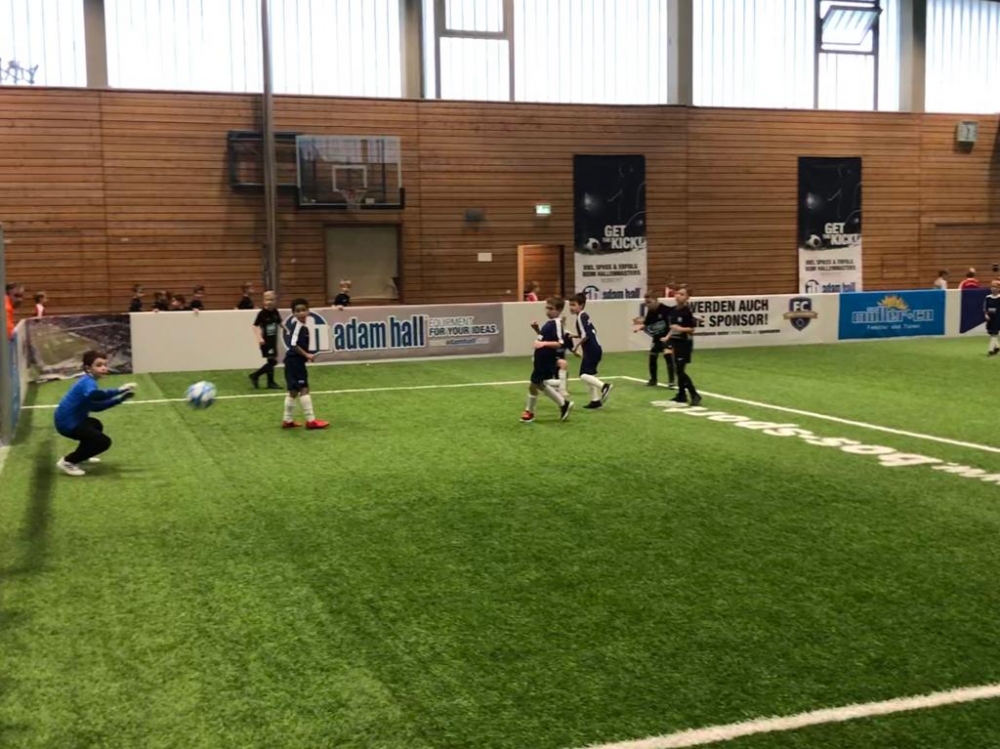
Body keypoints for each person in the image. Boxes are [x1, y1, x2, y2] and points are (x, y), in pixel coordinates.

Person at [53, 350, 136, 476]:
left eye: (105, 365)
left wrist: (119, 399)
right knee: (103, 442)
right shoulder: (88, 382)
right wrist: (119, 390)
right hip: (67, 424)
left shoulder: (88, 381)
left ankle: (83, 455)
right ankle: (67, 462)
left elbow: (96, 407)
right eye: (98, 365)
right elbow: (95, 395)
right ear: (88, 368)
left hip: (72, 421)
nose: (104, 368)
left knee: (95, 424)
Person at [520, 296, 573, 424]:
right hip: (541, 358)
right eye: (547, 308)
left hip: (545, 359)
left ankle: (530, 412)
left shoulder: (557, 323)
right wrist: (537, 330)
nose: (548, 311)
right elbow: (545, 338)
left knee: (535, 384)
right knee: (538, 384)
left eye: (551, 309)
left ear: (559, 310)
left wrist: (543, 344)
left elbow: (560, 343)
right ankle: (563, 403)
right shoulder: (550, 323)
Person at [282, 298, 329, 430]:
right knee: (304, 388)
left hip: (292, 362)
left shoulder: (301, 326)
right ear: (293, 313)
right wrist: (307, 355)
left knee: (293, 391)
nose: (301, 313)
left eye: (303, 310)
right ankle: (311, 420)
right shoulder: (298, 326)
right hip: (295, 362)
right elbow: (293, 344)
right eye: (298, 311)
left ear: (308, 311)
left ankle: (287, 420)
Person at [569, 293, 612, 409]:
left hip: (591, 350)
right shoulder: (585, 316)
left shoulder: (580, 317)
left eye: (573, 305)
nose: (571, 307)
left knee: (583, 375)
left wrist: (576, 347)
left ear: (581, 305)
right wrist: (574, 335)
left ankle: (604, 386)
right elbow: (591, 332)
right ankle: (595, 400)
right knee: (590, 375)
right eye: (570, 305)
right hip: (596, 348)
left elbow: (585, 336)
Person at [661, 287, 702, 406]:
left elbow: (691, 329)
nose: (678, 296)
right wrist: (667, 337)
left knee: (680, 370)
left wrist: (680, 329)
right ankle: (681, 394)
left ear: (687, 297)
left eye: (682, 294)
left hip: (684, 342)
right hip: (675, 342)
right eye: (677, 293)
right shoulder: (674, 311)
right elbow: (672, 327)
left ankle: (694, 394)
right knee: (678, 370)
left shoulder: (687, 311)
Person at [633, 290, 676, 388]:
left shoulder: (665, 309)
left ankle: (671, 381)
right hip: (657, 337)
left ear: (656, 300)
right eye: (646, 303)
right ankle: (653, 379)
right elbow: (647, 324)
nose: (647, 305)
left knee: (667, 355)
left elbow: (676, 316)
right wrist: (640, 328)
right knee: (652, 356)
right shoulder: (651, 312)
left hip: (667, 337)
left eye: (649, 302)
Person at [250, 290, 281, 389]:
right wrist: (259, 338)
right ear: (263, 301)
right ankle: (255, 375)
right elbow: (255, 326)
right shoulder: (262, 313)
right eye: (267, 300)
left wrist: (288, 330)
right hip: (266, 341)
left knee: (270, 361)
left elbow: (280, 322)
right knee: (272, 361)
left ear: (275, 301)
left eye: (272, 300)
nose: (269, 302)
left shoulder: (275, 312)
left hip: (273, 340)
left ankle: (270, 382)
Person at [985, 279, 1000, 357]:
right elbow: (985, 307)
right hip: (990, 318)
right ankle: (997, 347)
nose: (993, 288)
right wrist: (986, 314)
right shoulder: (988, 297)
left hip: (997, 318)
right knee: (991, 333)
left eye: (995, 287)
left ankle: (990, 350)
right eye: (992, 286)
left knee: (994, 334)